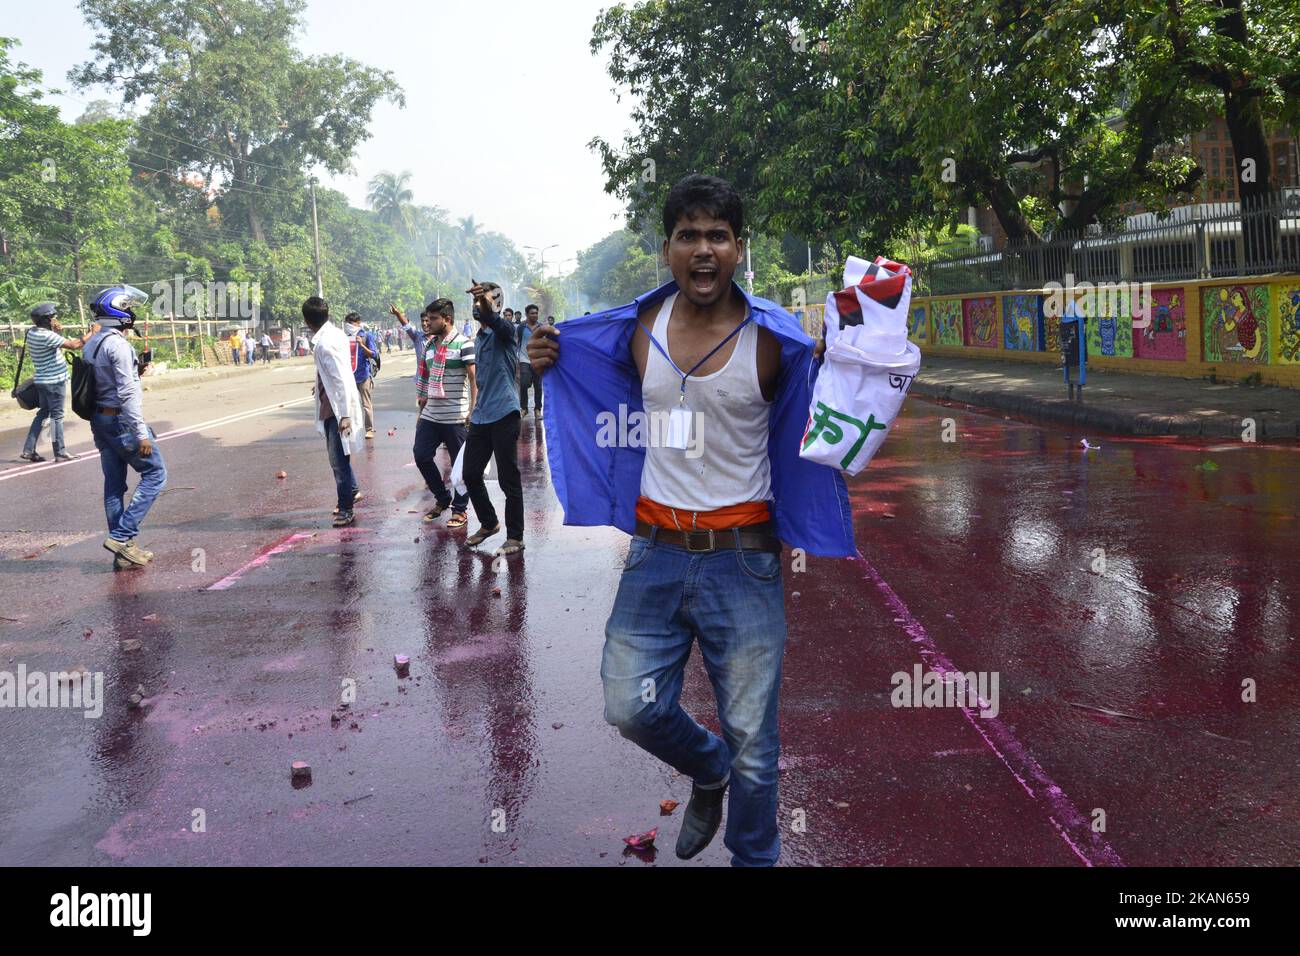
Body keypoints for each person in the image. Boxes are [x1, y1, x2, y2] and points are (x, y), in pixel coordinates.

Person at [527, 174, 855, 867]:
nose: (702, 249)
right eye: (688, 236)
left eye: (717, 236)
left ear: (739, 248)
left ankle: (752, 858)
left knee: (757, 746)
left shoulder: (776, 342)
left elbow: (829, 414)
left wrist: (843, 366)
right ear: (668, 248)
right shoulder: (639, 331)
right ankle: (708, 768)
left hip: (744, 560)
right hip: (655, 555)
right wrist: (545, 360)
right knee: (628, 706)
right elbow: (582, 369)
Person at [83, 286, 168, 571]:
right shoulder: (118, 344)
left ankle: (125, 552)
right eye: (128, 309)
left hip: (100, 420)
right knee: (156, 474)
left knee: (114, 485)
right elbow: (128, 395)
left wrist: (135, 371)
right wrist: (141, 434)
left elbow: (104, 381)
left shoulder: (93, 342)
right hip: (120, 420)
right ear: (117, 311)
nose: (131, 314)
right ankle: (121, 537)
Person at [395, 299, 477, 528]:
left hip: (455, 417)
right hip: (431, 414)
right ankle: (442, 498)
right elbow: (426, 377)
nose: (427, 323)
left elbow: (473, 378)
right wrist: (422, 405)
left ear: (447, 319)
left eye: (432, 319)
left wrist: (473, 408)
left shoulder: (464, 344)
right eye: (427, 319)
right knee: (421, 455)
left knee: (461, 468)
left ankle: (460, 510)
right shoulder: (429, 346)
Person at [462, 280, 524, 554]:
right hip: (482, 415)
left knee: (508, 478)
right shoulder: (478, 337)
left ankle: (515, 537)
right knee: (470, 474)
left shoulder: (506, 332)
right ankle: (489, 523)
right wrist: (473, 409)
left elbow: (493, 318)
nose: (477, 306)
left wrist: (485, 302)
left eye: (482, 301)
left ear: (495, 304)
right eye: (475, 302)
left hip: (505, 413)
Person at [304, 297, 364, 527]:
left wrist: (346, 415)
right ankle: (353, 490)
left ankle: (346, 509)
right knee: (341, 456)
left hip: (336, 409)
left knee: (338, 460)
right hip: (334, 402)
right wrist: (319, 382)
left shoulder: (324, 343)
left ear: (308, 321)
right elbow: (333, 373)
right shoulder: (336, 334)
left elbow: (339, 378)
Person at [17, 302, 98, 462]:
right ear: (46, 320)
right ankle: (60, 452)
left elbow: (53, 346)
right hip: (54, 382)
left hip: (42, 381)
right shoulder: (47, 335)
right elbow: (74, 345)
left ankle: (28, 450)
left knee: (43, 414)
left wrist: (55, 330)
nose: (55, 319)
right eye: (52, 317)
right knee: (57, 417)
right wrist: (92, 332)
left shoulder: (32, 332)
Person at [344, 313, 379, 439]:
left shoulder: (365, 336)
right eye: (346, 324)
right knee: (349, 405)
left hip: (363, 375)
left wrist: (362, 345)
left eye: (351, 324)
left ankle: (369, 429)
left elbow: (373, 354)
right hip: (349, 376)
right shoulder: (344, 337)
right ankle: (350, 428)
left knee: (366, 404)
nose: (348, 326)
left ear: (358, 323)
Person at [517, 304, 544, 419]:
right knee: (523, 384)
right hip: (524, 360)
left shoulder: (541, 327)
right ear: (527, 314)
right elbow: (516, 343)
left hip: (538, 360)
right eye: (532, 313)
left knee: (538, 385)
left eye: (536, 313)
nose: (535, 315)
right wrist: (516, 361)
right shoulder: (521, 328)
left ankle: (538, 409)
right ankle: (524, 408)